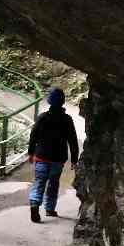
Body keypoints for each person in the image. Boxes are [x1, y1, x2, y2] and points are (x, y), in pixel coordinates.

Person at [27, 87, 79, 223]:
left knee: (39, 182)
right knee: (53, 183)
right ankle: (50, 209)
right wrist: (74, 159)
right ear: (62, 102)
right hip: (58, 159)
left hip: (41, 156)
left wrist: (31, 152)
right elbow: (73, 140)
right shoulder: (67, 119)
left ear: (49, 101)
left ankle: (34, 204)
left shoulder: (42, 117)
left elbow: (33, 136)